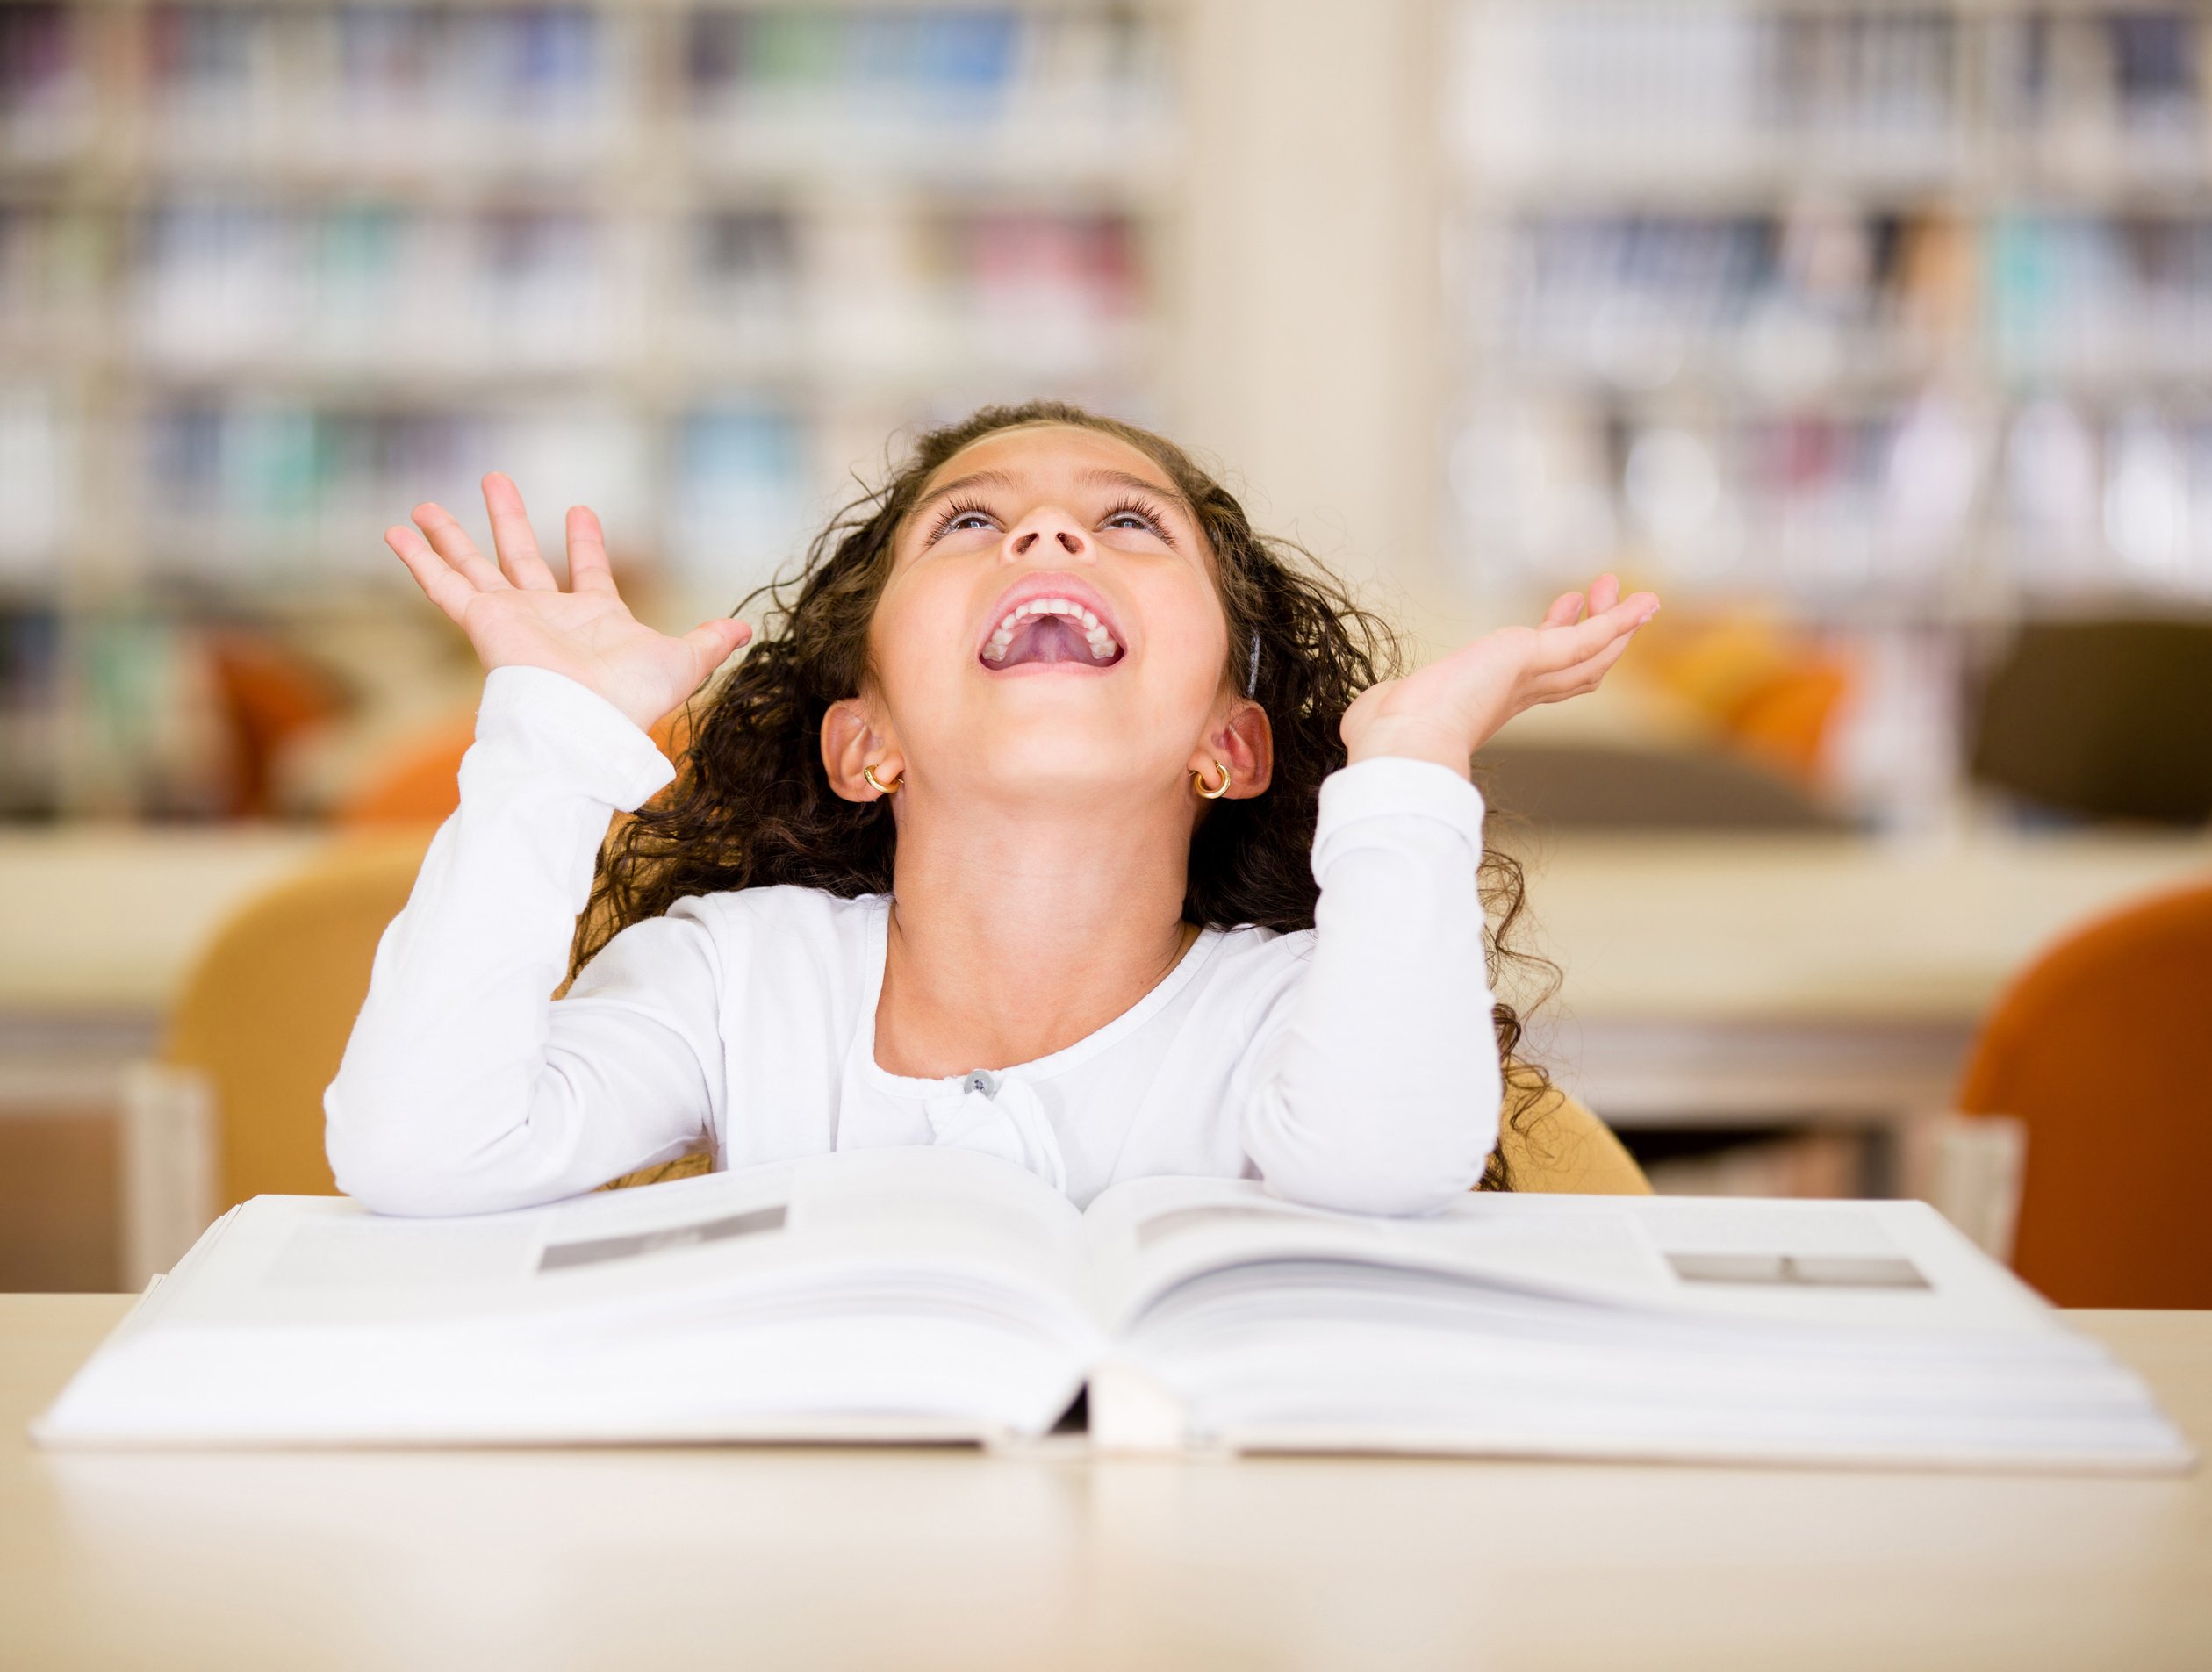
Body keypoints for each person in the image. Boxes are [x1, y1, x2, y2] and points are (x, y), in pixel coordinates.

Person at [326, 401, 1656, 1217]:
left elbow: (1391, 1162)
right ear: (866, 743)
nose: (1047, 538)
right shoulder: (735, 978)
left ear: (1228, 745)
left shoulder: (1293, 1007)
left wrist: (1410, 768)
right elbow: (421, 1149)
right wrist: (554, 744)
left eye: (1132, 522)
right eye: (967, 524)